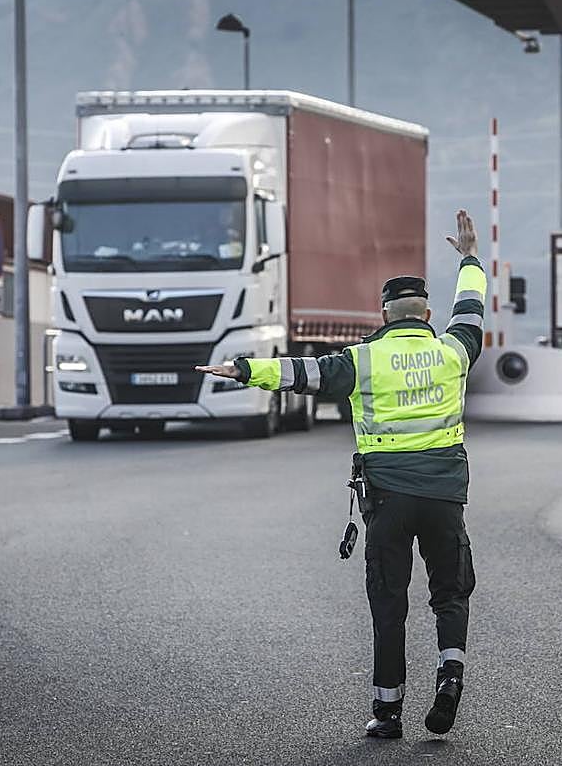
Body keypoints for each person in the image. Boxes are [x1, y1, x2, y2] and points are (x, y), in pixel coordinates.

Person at [196, 209, 487, 739]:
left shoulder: (363, 360)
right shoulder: (454, 352)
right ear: (426, 314)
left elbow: (301, 374)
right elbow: (471, 309)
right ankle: (450, 672)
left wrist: (242, 369)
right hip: (446, 496)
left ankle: (388, 711)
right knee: (450, 592)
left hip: (389, 499)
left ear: (384, 313)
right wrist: (468, 257)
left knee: (389, 604)